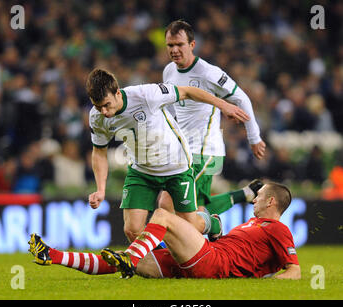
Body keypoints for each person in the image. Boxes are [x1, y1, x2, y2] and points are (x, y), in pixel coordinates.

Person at [86, 68, 250, 242]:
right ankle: (159, 266)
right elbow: (99, 152)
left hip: (176, 167)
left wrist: (223, 105)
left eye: (106, 105)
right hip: (141, 171)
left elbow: (187, 91)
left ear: (117, 93)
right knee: (132, 230)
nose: (103, 111)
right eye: (98, 106)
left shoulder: (146, 95)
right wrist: (101, 190)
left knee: (189, 225)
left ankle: (213, 223)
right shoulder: (96, 117)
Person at [158, 20, 266, 219]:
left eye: (179, 45)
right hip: (182, 152)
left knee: (168, 205)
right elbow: (172, 108)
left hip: (205, 152)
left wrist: (254, 137)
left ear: (192, 45)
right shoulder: (169, 71)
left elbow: (241, 98)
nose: (174, 50)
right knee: (194, 211)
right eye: (170, 45)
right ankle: (242, 197)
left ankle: (204, 231)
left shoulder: (208, 72)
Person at [101, 181, 301, 280]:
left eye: (258, 196)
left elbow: (295, 271)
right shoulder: (252, 223)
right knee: (121, 257)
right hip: (210, 255)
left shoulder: (278, 229)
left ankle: (137, 255)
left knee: (162, 215)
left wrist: (266, 283)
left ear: (271, 201)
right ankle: (68, 259)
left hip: (213, 261)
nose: (255, 200)